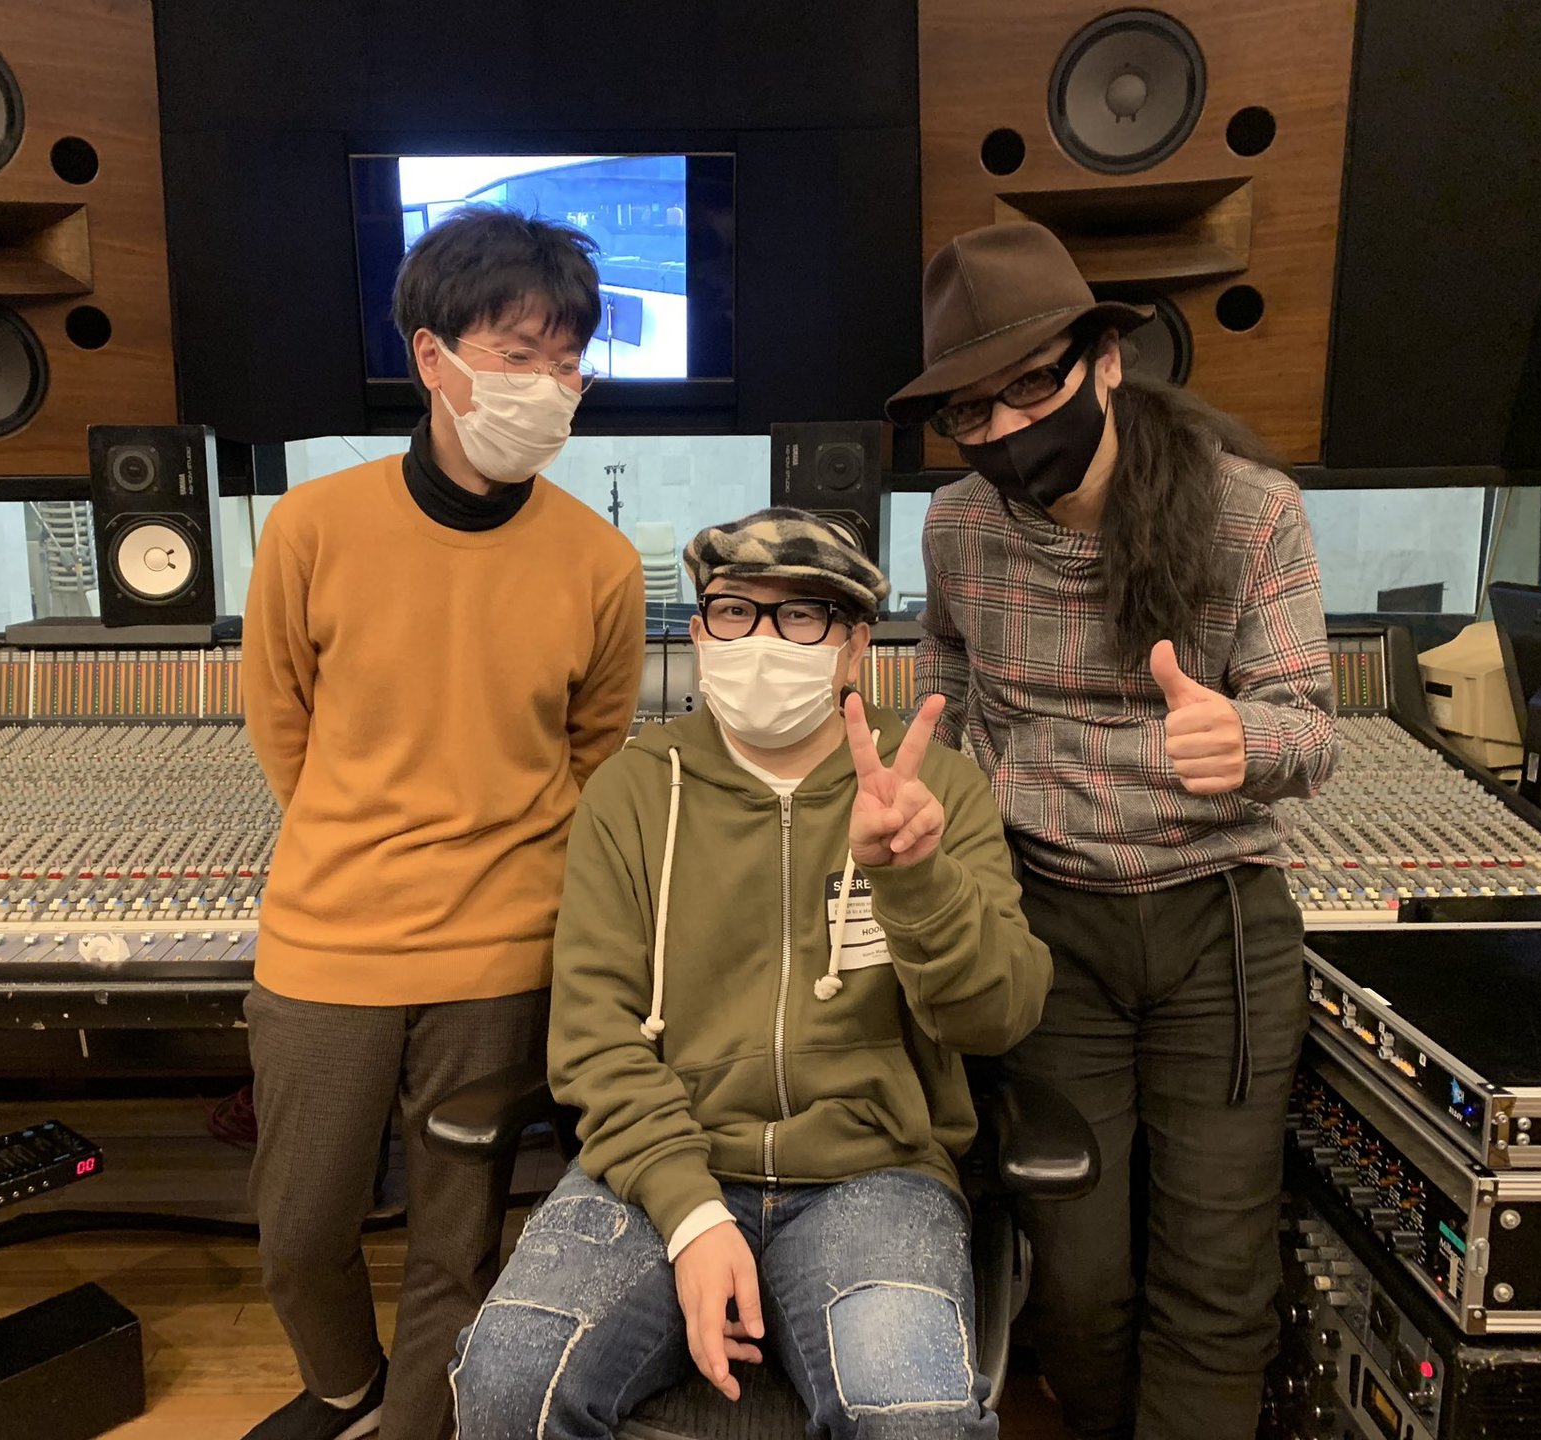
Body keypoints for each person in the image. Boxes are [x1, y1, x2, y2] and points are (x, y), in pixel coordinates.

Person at [448, 509, 1055, 1439]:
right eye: (735, 611)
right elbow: (595, 1035)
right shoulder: (632, 792)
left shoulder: (934, 789)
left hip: (872, 1172)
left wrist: (916, 881)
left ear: (855, 646)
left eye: (801, 615)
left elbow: (998, 1016)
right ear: (700, 634)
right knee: (506, 1384)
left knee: (913, 1418)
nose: (762, 641)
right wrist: (691, 1215)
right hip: (656, 1168)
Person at [885, 221, 1338, 1440]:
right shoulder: (958, 526)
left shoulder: (1251, 511)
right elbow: (948, 681)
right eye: (970, 411)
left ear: (1106, 362)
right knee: (1075, 1279)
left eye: (1032, 386)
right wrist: (947, 800)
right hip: (1048, 925)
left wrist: (1246, 740)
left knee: (1217, 1267)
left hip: (1219, 929)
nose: (1003, 429)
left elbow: (1311, 730)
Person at [240, 205, 647, 1440]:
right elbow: (281, 720)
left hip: (503, 952)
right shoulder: (311, 527)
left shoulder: (600, 563)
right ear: (433, 357)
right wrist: (359, 837)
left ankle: (415, 1424)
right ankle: (347, 1391)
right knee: (300, 1227)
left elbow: (592, 750)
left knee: (456, 1244)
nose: (549, 387)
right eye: (518, 356)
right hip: (328, 943)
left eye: (568, 362)